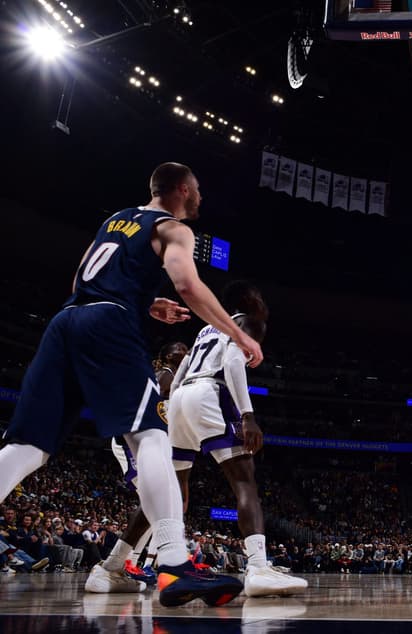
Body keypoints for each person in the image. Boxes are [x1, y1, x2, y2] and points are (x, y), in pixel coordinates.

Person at [0, 162, 261, 607]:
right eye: (197, 190)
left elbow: (83, 278)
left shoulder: (114, 220)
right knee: (150, 436)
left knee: (27, 446)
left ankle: (156, 563)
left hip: (66, 320)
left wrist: (144, 302)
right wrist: (238, 334)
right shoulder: (174, 228)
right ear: (181, 190)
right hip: (109, 324)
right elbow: (188, 285)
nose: (201, 198)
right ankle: (175, 564)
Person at [168, 281, 307, 597]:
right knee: (245, 482)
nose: (264, 303)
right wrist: (247, 416)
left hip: (182, 397)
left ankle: (163, 560)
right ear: (247, 302)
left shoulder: (206, 328)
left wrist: (176, 407)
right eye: (260, 296)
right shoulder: (249, 322)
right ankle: (258, 568)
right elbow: (232, 362)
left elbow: (183, 369)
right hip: (209, 392)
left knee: (176, 490)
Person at [111, 340, 190, 585]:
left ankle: (133, 563)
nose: (185, 352)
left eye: (187, 350)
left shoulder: (175, 380)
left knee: (155, 505)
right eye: (179, 349)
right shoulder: (165, 375)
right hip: (133, 439)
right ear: (167, 356)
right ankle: (127, 563)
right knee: (154, 503)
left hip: (146, 439)